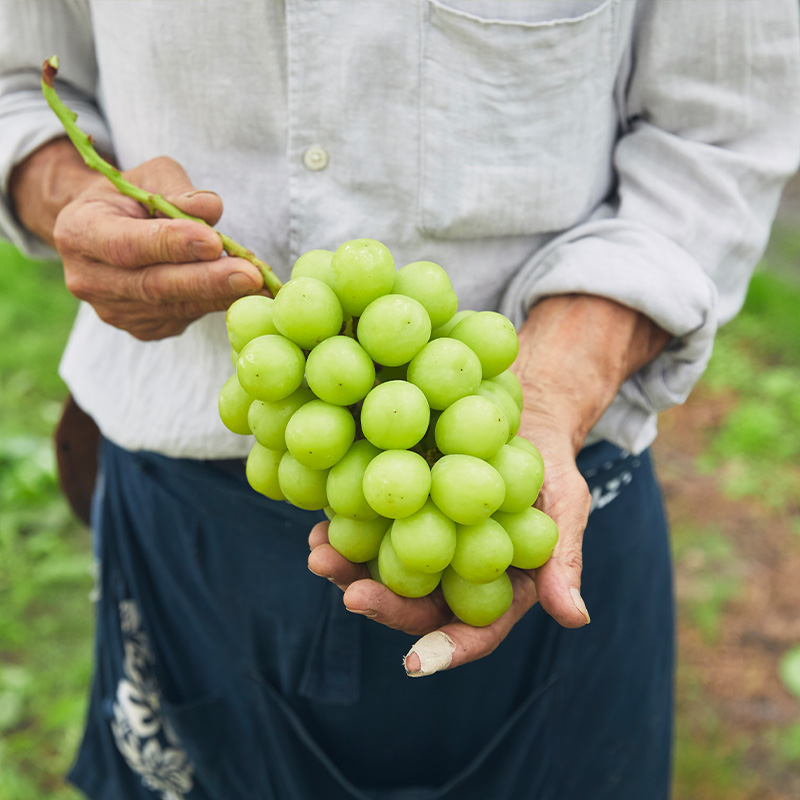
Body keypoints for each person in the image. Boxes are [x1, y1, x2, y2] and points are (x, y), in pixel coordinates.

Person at [2, 2, 799, 798]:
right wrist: (61, 190)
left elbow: (723, 129)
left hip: (538, 486)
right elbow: (16, 85)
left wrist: (554, 387)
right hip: (190, 525)